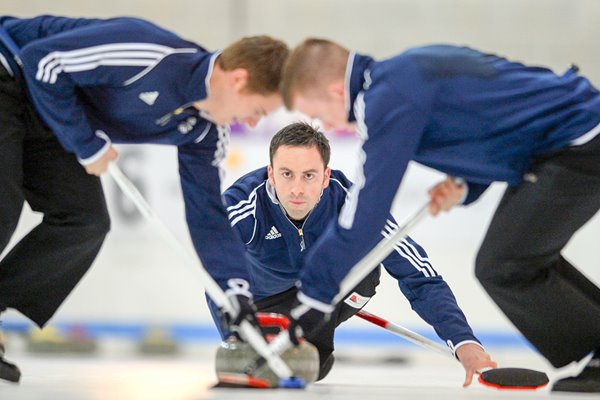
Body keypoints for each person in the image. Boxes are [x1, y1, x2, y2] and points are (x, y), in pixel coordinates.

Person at [279, 39, 600, 393]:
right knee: (520, 260)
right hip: (569, 140)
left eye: (319, 113)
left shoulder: (385, 97)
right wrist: (464, 185)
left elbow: (366, 212)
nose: (323, 123)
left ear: (335, 90)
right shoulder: (405, 73)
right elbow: (497, 116)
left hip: (578, 142)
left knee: (505, 266)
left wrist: (313, 296)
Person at [0, 15, 288, 382]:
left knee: (84, 222)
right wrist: (86, 145)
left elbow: (209, 217)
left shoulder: (205, 133)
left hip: (51, 118)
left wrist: (236, 293)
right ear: (238, 80)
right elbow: (43, 60)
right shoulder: (151, 54)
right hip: (11, 75)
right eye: (257, 111)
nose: (250, 123)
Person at [208, 122, 496, 385]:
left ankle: (313, 339)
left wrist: (463, 341)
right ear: (271, 174)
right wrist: (237, 340)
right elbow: (213, 277)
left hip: (332, 293)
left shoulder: (353, 204)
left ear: (325, 177)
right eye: (286, 174)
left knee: (366, 266)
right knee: (299, 367)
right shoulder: (245, 206)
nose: (297, 189)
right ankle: (295, 344)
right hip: (265, 301)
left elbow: (419, 274)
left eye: (309, 175)